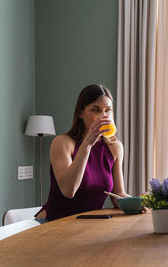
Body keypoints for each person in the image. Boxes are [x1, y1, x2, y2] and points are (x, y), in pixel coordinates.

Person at [36, 84, 136, 221]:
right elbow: (68, 190)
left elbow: (118, 195)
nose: (103, 115)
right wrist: (88, 142)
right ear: (80, 113)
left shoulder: (115, 147)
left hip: (90, 223)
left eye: (108, 110)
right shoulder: (62, 143)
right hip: (54, 222)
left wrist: (138, 202)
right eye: (96, 110)